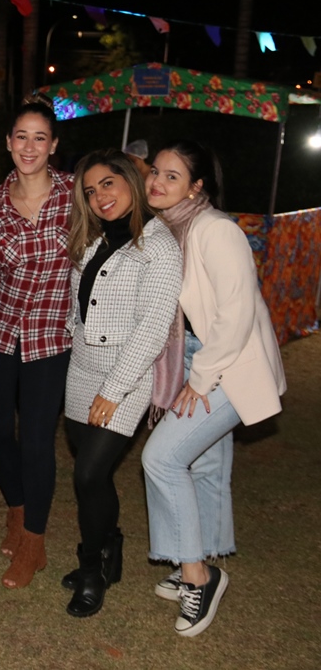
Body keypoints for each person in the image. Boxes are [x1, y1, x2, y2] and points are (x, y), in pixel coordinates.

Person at [141, 140, 285, 636]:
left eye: (172, 176)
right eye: (155, 171)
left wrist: (200, 379)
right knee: (201, 465)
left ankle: (200, 578)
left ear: (196, 186)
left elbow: (236, 314)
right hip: (190, 358)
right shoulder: (166, 229)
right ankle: (195, 558)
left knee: (161, 458)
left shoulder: (216, 229)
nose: (157, 182)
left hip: (228, 366)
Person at [59, 149, 182, 617]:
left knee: (89, 474)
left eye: (107, 184)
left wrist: (112, 391)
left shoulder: (159, 246)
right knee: (95, 476)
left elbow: (152, 328)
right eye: (91, 191)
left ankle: (91, 568)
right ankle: (110, 546)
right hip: (81, 368)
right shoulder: (93, 239)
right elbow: (80, 300)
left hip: (126, 378)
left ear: (130, 180)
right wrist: (72, 332)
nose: (99, 197)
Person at [0, 98, 74, 589]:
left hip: (52, 336)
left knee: (37, 440)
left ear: (54, 145)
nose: (30, 146)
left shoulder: (77, 195)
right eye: (22, 136)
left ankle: (33, 542)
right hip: (0, 333)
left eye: (40, 137)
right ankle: (17, 509)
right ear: (8, 142)